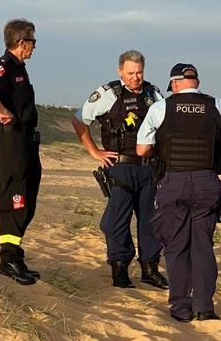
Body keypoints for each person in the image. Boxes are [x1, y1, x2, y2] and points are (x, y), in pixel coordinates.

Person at [136, 63, 221, 322]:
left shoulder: (161, 107)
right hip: (207, 182)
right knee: (203, 246)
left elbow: (141, 149)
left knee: (176, 247)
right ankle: (204, 307)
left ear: (174, 84)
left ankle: (180, 308)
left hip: (173, 182)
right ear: (197, 82)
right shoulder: (217, 104)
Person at [72, 50, 168, 290]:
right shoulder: (108, 94)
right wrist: (95, 152)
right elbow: (79, 120)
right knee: (116, 221)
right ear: (120, 71)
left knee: (151, 222)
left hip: (149, 169)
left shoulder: (153, 94)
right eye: (130, 73)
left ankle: (149, 268)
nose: (135, 77)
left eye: (139, 72)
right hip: (120, 167)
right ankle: (120, 266)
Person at [0, 19, 41, 285]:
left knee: (27, 195)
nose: (35, 48)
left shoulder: (20, 68)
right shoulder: (3, 65)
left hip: (25, 141)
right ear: (21, 43)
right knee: (15, 197)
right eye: (33, 42)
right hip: (11, 141)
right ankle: (8, 260)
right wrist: (2, 111)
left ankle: (15, 254)